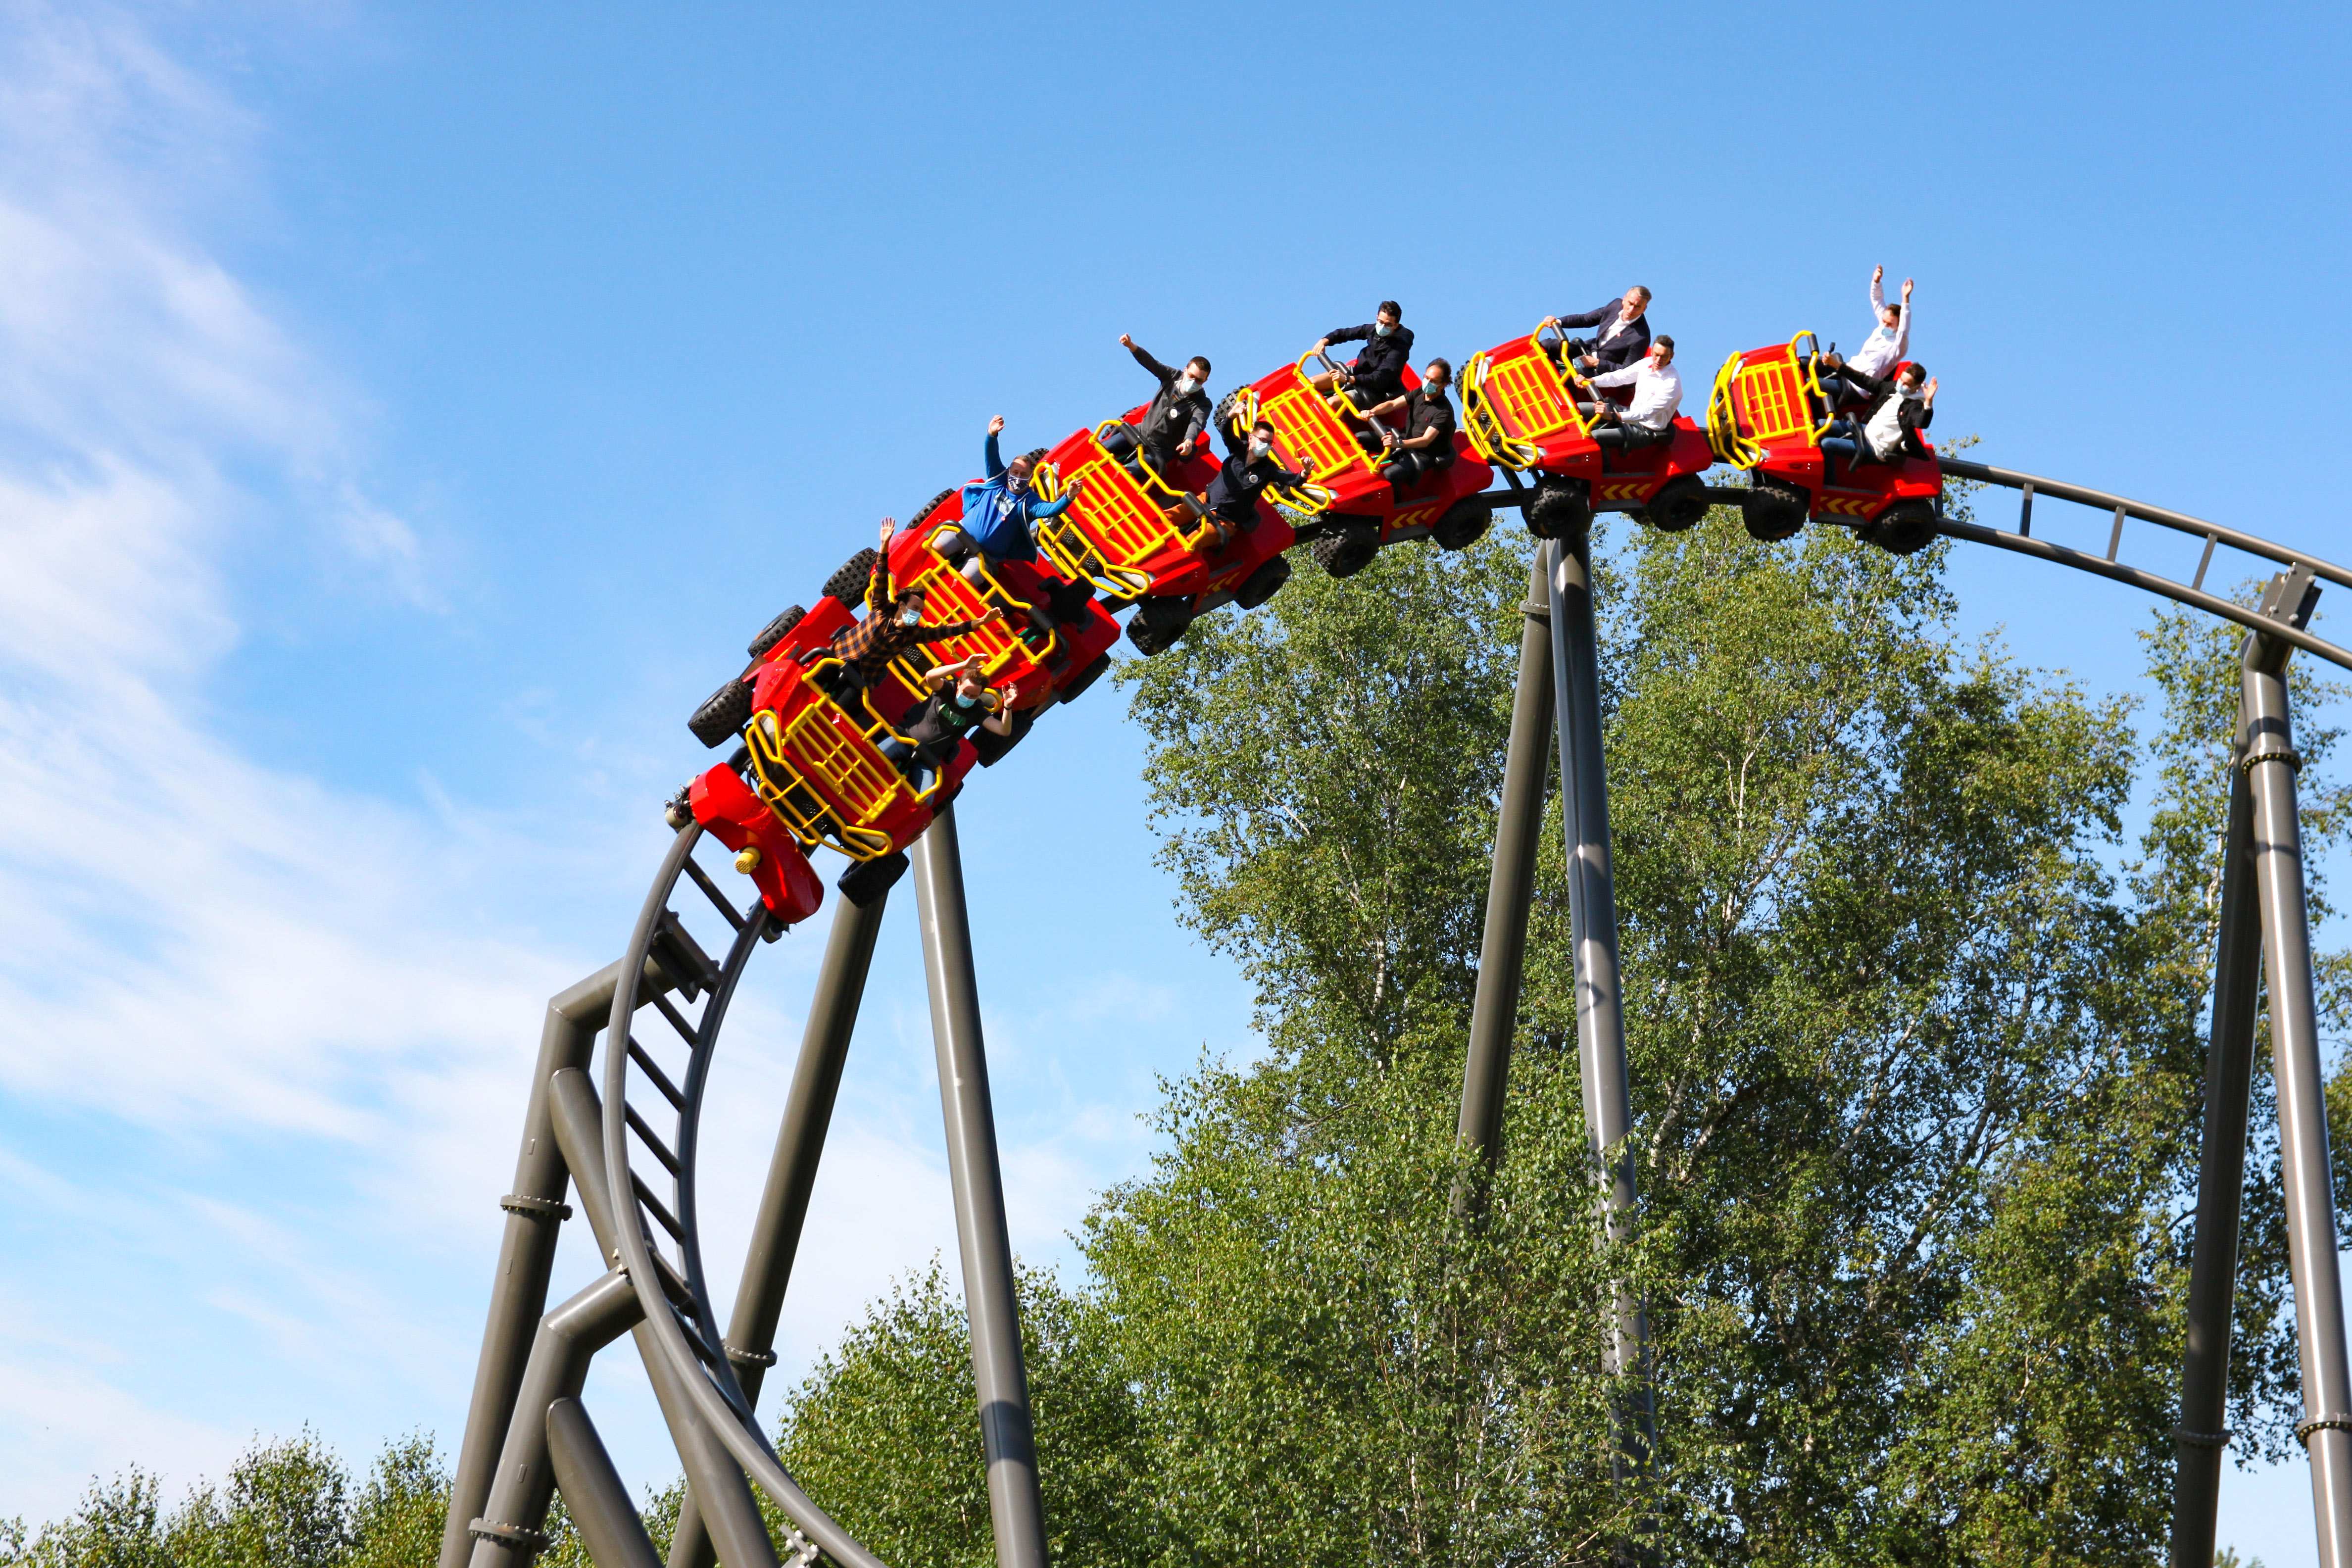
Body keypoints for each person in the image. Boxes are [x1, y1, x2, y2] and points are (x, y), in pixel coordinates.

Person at [816, 517, 1005, 693]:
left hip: (861, 676)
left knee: (845, 697)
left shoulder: (912, 635)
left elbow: (947, 631)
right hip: (840, 655)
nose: (917, 614)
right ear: (901, 606)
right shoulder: (881, 609)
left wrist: (980, 622)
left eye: (920, 611)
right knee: (816, 679)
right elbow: (881, 576)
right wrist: (883, 544)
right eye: (915, 608)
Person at [879, 657, 1020, 787]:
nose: (968, 697)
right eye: (966, 693)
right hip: (904, 740)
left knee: (925, 800)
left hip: (926, 759)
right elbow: (930, 676)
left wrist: (1008, 706)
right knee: (876, 758)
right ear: (959, 685)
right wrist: (964, 665)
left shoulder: (977, 711)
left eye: (973, 696)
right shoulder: (947, 690)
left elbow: (1003, 730)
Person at [1194, 418, 1314, 555]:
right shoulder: (1239, 449)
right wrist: (1231, 415)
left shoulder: (1269, 469)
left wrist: (1305, 472)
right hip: (1205, 501)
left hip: (1224, 521)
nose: (1266, 446)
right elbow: (1226, 432)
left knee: (1193, 541)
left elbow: (1293, 480)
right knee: (1169, 517)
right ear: (1251, 438)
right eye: (1263, 441)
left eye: (1270, 443)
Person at [1107, 335, 1213, 480]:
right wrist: (1132, 346)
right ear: (1185, 370)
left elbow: (1197, 422)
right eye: (1191, 376)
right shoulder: (1172, 377)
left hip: (1158, 451)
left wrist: (1189, 441)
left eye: (1199, 380)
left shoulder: (1202, 403)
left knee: (1125, 476)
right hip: (1139, 432)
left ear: (1205, 381)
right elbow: (1152, 364)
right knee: (1099, 449)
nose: (1193, 382)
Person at [1819, 362, 1935, 472]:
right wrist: (1839, 366)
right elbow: (1866, 381)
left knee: (1827, 444)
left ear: (1916, 387)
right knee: (1821, 424)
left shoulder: (1915, 405)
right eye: (1901, 380)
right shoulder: (1894, 387)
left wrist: (1928, 402)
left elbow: (1922, 422)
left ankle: (1826, 484)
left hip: (1875, 447)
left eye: (1906, 384)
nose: (1901, 385)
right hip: (1866, 430)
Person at [1360, 359, 1458, 488]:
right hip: (1403, 437)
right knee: (1360, 438)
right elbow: (1393, 404)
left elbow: (1425, 440)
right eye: (1426, 378)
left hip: (1422, 454)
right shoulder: (1420, 392)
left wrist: (1398, 444)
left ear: (1443, 384)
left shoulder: (1444, 412)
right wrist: (1372, 412)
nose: (1428, 383)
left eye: (1433, 381)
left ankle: (1393, 504)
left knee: (1390, 475)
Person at [1575, 336, 1682, 449]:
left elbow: (1645, 414)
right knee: (1580, 409)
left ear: (1671, 356)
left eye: (1663, 357)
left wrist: (1613, 416)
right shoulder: (1646, 364)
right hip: (1630, 412)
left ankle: (1606, 466)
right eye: (1656, 355)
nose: (1658, 361)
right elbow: (1620, 377)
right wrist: (1592, 381)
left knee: (1595, 438)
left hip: (1646, 428)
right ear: (1652, 352)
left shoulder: (1671, 384)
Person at [1308, 301, 1415, 408]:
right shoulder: (1373, 329)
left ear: (1396, 326)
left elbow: (1381, 377)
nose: (1383, 327)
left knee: (1332, 404)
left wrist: (1350, 379)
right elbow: (1347, 333)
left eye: (1388, 325)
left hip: (1374, 390)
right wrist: (1326, 340)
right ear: (1377, 317)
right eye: (1380, 322)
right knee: (1311, 383)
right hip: (1356, 373)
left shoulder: (1399, 349)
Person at [1542, 286, 1652, 376]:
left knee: (1567, 375)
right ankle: (1542, 374)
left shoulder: (1641, 336)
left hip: (1600, 370)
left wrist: (1598, 363)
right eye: (1630, 304)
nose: (1632, 310)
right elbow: (1586, 319)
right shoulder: (1615, 306)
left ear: (1644, 309)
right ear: (1624, 300)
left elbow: (1627, 370)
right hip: (1587, 350)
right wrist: (1558, 322)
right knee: (1547, 345)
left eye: (1638, 307)